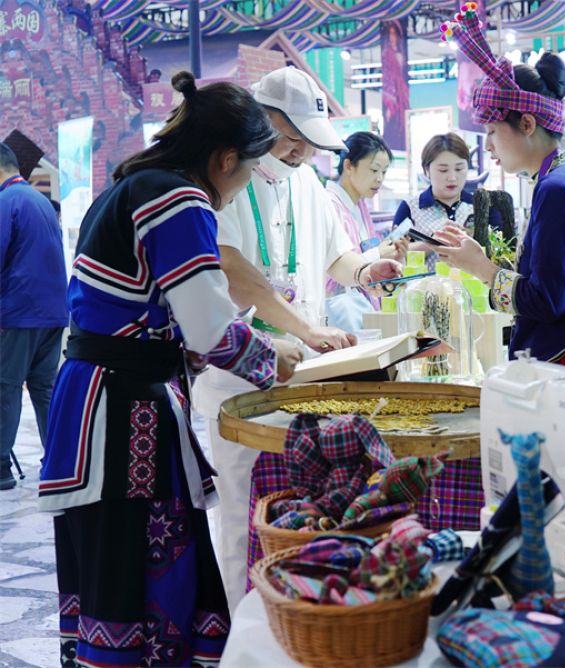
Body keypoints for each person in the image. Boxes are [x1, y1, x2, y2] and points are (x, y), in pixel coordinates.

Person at [39, 72, 303, 667]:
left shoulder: (131, 185)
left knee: (107, 561)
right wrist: (275, 359)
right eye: (249, 169)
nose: (245, 184)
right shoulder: (179, 201)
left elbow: (150, 313)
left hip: (96, 396)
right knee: (140, 564)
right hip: (123, 412)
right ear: (226, 159)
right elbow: (210, 328)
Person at [190, 67, 402, 614]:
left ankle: (297, 613)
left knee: (302, 503)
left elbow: (336, 258)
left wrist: (368, 269)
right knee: (241, 509)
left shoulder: (307, 181)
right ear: (261, 119)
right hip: (239, 373)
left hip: (304, 372)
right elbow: (231, 267)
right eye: (292, 138)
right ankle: (240, 623)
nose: (302, 151)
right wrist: (305, 328)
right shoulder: (227, 175)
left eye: (310, 142)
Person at [433, 7, 565, 374]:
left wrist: (482, 268)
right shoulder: (560, 179)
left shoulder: (558, 188)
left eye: (491, 131)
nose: (488, 145)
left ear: (527, 123)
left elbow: (546, 301)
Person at [0, 143, 68, 490]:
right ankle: (58, 463)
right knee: (44, 388)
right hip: (53, 312)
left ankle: (0, 468)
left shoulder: (6, 201)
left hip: (19, 312)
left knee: (5, 386)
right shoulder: (39, 201)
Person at [325, 131, 407, 331]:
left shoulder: (360, 206)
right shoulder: (329, 205)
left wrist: (392, 255)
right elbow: (330, 272)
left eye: (384, 172)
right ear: (349, 166)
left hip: (363, 310)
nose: (379, 179)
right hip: (340, 317)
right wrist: (378, 253)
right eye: (374, 170)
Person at [392, 132, 502, 269]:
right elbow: (393, 253)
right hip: (426, 283)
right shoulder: (410, 207)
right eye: (443, 170)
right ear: (426, 170)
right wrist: (432, 242)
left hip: (474, 282)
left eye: (459, 168)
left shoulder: (484, 206)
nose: (452, 177)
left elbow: (502, 254)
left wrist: (475, 238)